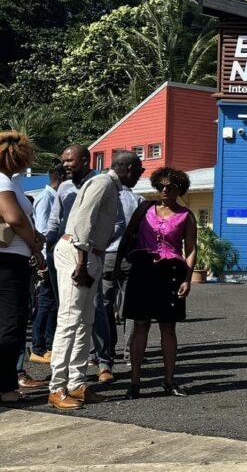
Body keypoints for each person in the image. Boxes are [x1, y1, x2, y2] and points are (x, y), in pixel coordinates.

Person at [48, 150, 143, 410]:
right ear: (129, 169)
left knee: (85, 321)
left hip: (91, 254)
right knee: (69, 320)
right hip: (78, 254)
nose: (140, 175)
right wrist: (81, 262)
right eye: (139, 170)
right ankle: (57, 388)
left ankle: (77, 384)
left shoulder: (110, 186)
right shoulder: (102, 183)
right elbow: (83, 220)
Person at [120, 167, 197, 399]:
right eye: (161, 186)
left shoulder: (186, 216)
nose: (165, 190)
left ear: (179, 189)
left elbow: (191, 249)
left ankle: (169, 381)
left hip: (170, 272)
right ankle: (135, 382)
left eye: (170, 187)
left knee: (168, 327)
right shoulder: (144, 209)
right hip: (142, 269)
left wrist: (187, 279)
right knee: (140, 325)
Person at [45, 145, 113, 382]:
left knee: (90, 315)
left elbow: (114, 223)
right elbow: (55, 220)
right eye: (63, 161)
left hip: (91, 254)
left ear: (85, 160)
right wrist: (48, 250)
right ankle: (58, 382)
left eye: (69, 161)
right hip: (68, 253)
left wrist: (98, 250)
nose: (64, 165)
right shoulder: (64, 187)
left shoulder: (100, 184)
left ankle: (88, 372)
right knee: (68, 316)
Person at [0, 131, 45, 404]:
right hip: (7, 260)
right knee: (11, 324)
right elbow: (14, 217)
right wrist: (35, 246)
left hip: (11, 257)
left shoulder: (9, 180)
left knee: (10, 324)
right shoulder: (3, 180)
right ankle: (5, 387)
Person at [98, 178, 143, 381]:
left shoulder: (106, 197)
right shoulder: (139, 200)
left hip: (106, 255)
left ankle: (105, 352)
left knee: (104, 304)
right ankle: (129, 352)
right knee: (131, 306)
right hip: (131, 255)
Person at [28, 161, 64, 365]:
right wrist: (43, 262)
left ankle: (48, 345)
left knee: (51, 303)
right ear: (61, 178)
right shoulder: (45, 198)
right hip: (47, 257)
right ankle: (38, 347)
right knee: (45, 302)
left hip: (54, 257)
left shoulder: (54, 197)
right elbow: (42, 231)